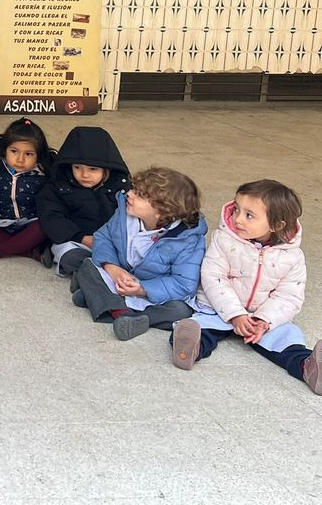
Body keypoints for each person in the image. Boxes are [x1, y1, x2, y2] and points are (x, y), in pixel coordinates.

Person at [170, 181, 321, 393]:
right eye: (237, 210)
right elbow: (213, 277)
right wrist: (235, 314)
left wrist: (264, 321)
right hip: (218, 309)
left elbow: (289, 296)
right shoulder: (224, 240)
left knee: (287, 341)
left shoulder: (292, 256)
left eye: (249, 215)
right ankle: (189, 350)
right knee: (197, 328)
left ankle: (308, 367)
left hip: (263, 317)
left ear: (277, 225)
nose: (238, 218)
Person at [73, 167, 207, 341]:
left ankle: (110, 306)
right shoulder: (125, 214)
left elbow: (183, 284)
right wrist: (112, 268)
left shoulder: (188, 240)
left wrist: (142, 289)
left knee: (181, 310)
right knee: (88, 266)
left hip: (152, 293)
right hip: (119, 278)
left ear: (162, 211)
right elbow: (103, 237)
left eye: (139, 195)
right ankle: (118, 310)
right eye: (133, 188)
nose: (129, 194)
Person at [37, 126, 129, 277]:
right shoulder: (59, 186)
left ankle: (101, 273)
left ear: (107, 169)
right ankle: (97, 272)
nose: (84, 174)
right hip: (76, 241)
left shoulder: (121, 187)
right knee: (70, 257)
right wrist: (82, 238)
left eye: (93, 169)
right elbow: (51, 216)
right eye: (77, 167)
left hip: (112, 242)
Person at [0, 118, 53, 262]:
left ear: (38, 155)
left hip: (31, 223)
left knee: (43, 227)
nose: (20, 159)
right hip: (4, 223)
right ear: (5, 150)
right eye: (14, 151)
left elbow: (51, 206)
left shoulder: (44, 176)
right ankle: (32, 252)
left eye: (29, 154)